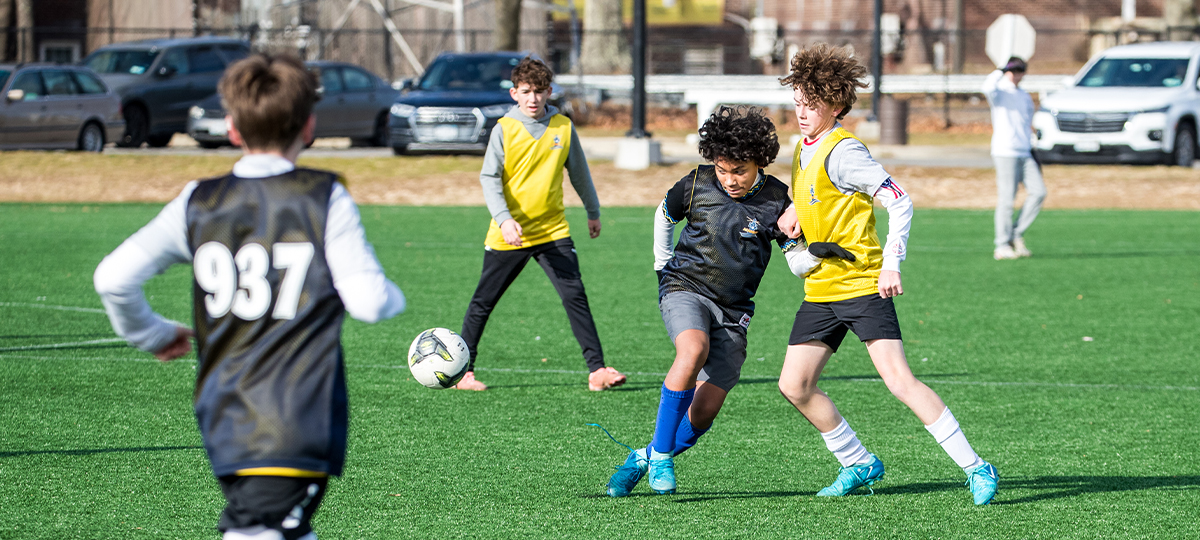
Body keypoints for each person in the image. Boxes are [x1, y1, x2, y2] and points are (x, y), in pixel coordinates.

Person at [93, 53, 406, 540]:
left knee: (281, 528)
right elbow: (369, 302)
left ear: (233, 128)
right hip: (296, 419)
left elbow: (113, 278)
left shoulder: (198, 199)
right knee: (258, 531)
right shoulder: (322, 196)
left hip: (223, 417)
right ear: (309, 126)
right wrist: (395, 296)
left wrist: (151, 334)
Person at [776, 43, 999, 505]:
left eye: (811, 104)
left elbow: (900, 200)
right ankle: (858, 462)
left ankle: (977, 467)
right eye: (797, 101)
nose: (801, 111)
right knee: (794, 385)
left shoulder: (845, 150)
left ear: (835, 105)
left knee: (899, 381)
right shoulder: (803, 147)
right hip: (821, 289)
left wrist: (891, 264)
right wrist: (796, 210)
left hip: (861, 284)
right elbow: (819, 194)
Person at [605, 106, 854, 497]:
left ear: (759, 162)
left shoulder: (776, 199)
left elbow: (796, 264)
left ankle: (647, 456)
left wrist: (819, 253)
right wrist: (661, 265)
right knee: (692, 349)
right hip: (685, 287)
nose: (730, 179)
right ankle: (664, 460)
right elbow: (664, 214)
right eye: (723, 170)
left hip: (734, 311)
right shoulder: (696, 184)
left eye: (739, 171)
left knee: (704, 411)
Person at [458, 57, 625, 391]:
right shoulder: (504, 129)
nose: (532, 98)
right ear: (514, 94)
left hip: (552, 230)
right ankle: (463, 372)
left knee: (574, 294)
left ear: (549, 92)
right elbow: (489, 178)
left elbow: (579, 172)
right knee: (483, 301)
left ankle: (597, 371)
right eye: (525, 91)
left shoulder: (563, 126)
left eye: (538, 91)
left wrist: (593, 211)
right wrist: (504, 220)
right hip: (511, 233)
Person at [983, 56, 1045, 260]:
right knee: (1007, 199)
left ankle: (1015, 234)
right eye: (1014, 70)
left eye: (1021, 70)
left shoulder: (1024, 96)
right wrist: (1000, 69)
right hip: (1005, 151)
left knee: (1038, 192)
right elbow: (986, 87)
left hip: (1024, 151)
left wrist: (1033, 146)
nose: (1017, 74)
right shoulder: (999, 92)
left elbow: (1027, 124)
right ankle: (1001, 245)